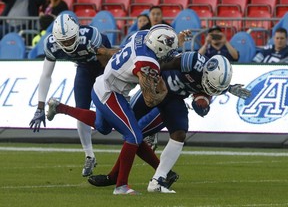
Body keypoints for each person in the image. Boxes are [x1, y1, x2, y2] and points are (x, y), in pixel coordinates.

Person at [44, 51, 250, 193]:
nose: (211, 90)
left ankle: (157, 178)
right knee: (120, 129)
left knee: (176, 133)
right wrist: (150, 78)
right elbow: (166, 62)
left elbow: (203, 97)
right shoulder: (192, 61)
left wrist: (202, 104)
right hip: (154, 91)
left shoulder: (216, 81)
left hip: (173, 100)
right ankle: (119, 176)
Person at [46, 24, 179, 195]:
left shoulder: (141, 36)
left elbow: (120, 51)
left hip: (104, 83)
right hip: (110, 93)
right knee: (134, 135)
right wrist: (164, 93)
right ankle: (121, 186)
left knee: (104, 127)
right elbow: (149, 100)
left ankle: (59, 107)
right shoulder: (147, 62)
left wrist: (105, 52)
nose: (169, 54)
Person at [29, 13, 113, 178]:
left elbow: (110, 60)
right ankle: (89, 155)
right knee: (81, 111)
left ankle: (144, 131)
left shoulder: (90, 35)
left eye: (70, 39)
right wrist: (40, 107)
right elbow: (46, 75)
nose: (67, 43)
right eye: (63, 41)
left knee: (109, 117)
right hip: (83, 68)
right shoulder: (51, 44)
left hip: (105, 67)